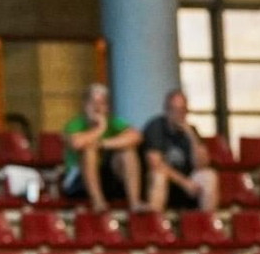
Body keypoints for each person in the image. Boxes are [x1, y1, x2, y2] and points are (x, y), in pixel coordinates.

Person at [60, 83, 141, 212]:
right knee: (89, 150)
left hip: (107, 180)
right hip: (77, 182)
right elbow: (77, 143)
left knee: (128, 151)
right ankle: (98, 202)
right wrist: (100, 128)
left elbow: (136, 137)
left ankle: (135, 203)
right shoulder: (75, 124)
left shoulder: (114, 122)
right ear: (85, 105)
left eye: (101, 103)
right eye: (93, 103)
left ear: (107, 107)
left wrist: (102, 144)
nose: (97, 108)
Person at [141, 89, 217, 212]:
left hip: (187, 187)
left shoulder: (191, 130)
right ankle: (154, 225)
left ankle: (206, 224)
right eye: (174, 110)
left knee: (209, 176)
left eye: (182, 110)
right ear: (166, 110)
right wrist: (184, 183)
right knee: (159, 175)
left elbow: (202, 165)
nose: (178, 115)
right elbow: (156, 164)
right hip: (166, 185)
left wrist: (192, 137)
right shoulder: (156, 127)